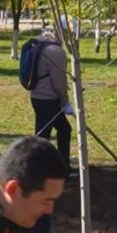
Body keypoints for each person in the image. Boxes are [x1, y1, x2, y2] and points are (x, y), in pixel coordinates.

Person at [27, 29, 72, 170]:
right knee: (43, 135)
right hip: (48, 98)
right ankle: (38, 169)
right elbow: (59, 81)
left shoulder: (41, 44)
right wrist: (65, 102)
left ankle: (60, 167)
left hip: (37, 96)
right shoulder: (55, 51)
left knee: (61, 129)